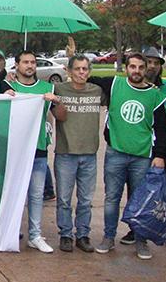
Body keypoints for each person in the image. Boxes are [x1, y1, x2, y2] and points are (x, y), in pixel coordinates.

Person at [88, 53, 166, 259]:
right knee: (111, 198)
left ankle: (141, 241)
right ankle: (108, 237)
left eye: (141, 67)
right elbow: (87, 76)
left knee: (141, 200)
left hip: (142, 156)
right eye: (132, 67)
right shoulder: (115, 84)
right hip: (116, 153)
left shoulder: (155, 95)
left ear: (145, 69)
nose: (136, 71)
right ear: (126, 68)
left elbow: (160, 128)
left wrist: (160, 155)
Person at [6, 51, 62, 254]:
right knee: (13, 193)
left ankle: (35, 235)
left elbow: (62, 116)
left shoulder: (47, 88)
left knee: (36, 195)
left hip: (37, 148)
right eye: (25, 62)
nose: (30, 66)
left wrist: (56, 101)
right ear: (17, 65)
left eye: (33, 62)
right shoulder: (8, 87)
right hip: (14, 149)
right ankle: (10, 231)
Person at [52, 55, 106, 253]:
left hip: (89, 154)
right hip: (65, 153)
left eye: (85, 69)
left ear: (89, 71)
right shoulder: (58, 90)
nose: (81, 72)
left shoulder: (97, 91)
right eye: (77, 69)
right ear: (69, 71)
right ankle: (66, 235)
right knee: (64, 199)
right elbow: (33, 89)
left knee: (85, 200)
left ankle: (83, 235)